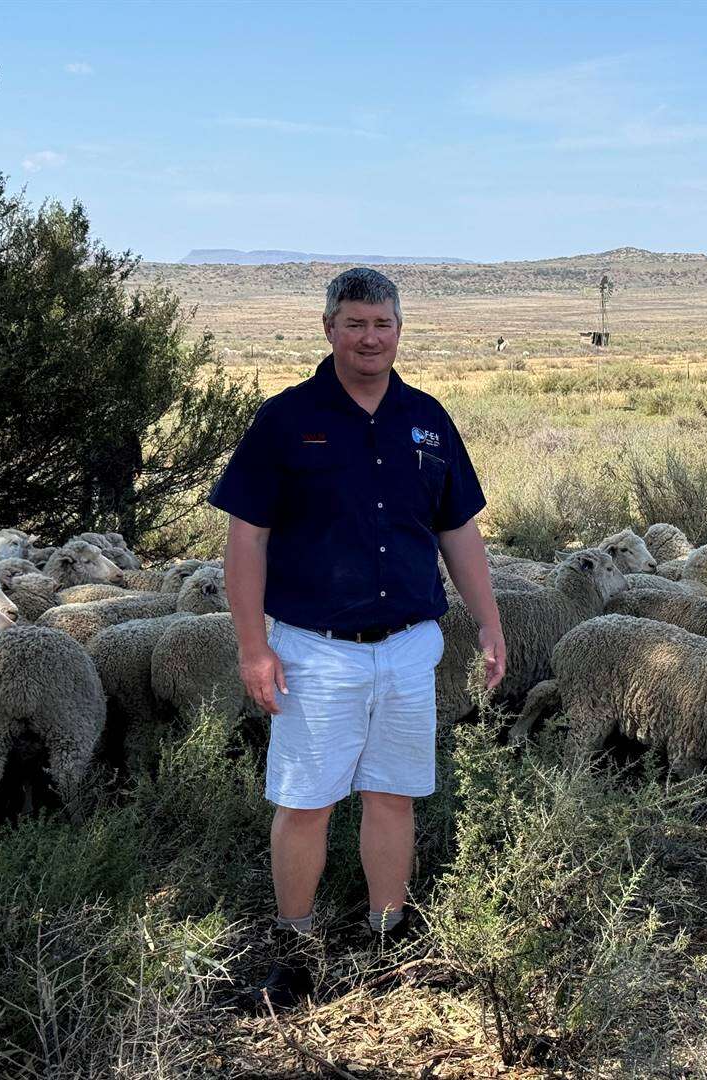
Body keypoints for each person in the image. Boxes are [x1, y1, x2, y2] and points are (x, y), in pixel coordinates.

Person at [208, 267, 506, 1010]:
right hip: (316, 647)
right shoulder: (285, 419)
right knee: (306, 801)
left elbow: (457, 529)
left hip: (408, 644)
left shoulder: (428, 420)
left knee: (393, 795)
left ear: (400, 329)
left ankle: (388, 934)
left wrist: (491, 619)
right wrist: (254, 646)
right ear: (329, 328)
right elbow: (247, 540)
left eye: (383, 324)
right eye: (355, 323)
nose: (370, 337)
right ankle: (295, 951)